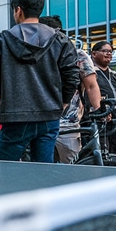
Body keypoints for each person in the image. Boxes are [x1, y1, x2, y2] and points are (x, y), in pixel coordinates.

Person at [0, 0, 80, 163]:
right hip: (49, 114)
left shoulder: (4, 39)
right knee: (42, 172)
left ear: (18, 10)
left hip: (15, 114)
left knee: (4, 172)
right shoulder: (60, 40)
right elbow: (72, 75)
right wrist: (63, 102)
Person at [39, 15, 101, 163]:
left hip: (68, 123)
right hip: (40, 121)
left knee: (71, 165)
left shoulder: (77, 54)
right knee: (41, 167)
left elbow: (91, 85)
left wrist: (99, 110)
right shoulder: (36, 54)